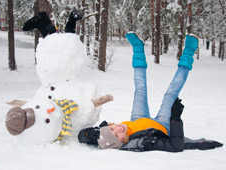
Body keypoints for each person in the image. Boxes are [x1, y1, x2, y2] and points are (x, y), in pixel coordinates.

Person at [78, 32, 223, 152]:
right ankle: (189, 52)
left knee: (140, 89)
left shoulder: (103, 136)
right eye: (117, 135)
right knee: (170, 94)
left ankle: (138, 48)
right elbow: (176, 145)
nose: (118, 129)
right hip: (163, 125)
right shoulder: (139, 143)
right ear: (122, 142)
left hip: (137, 119)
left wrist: (90, 133)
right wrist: (175, 118)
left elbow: (81, 137)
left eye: (112, 128)